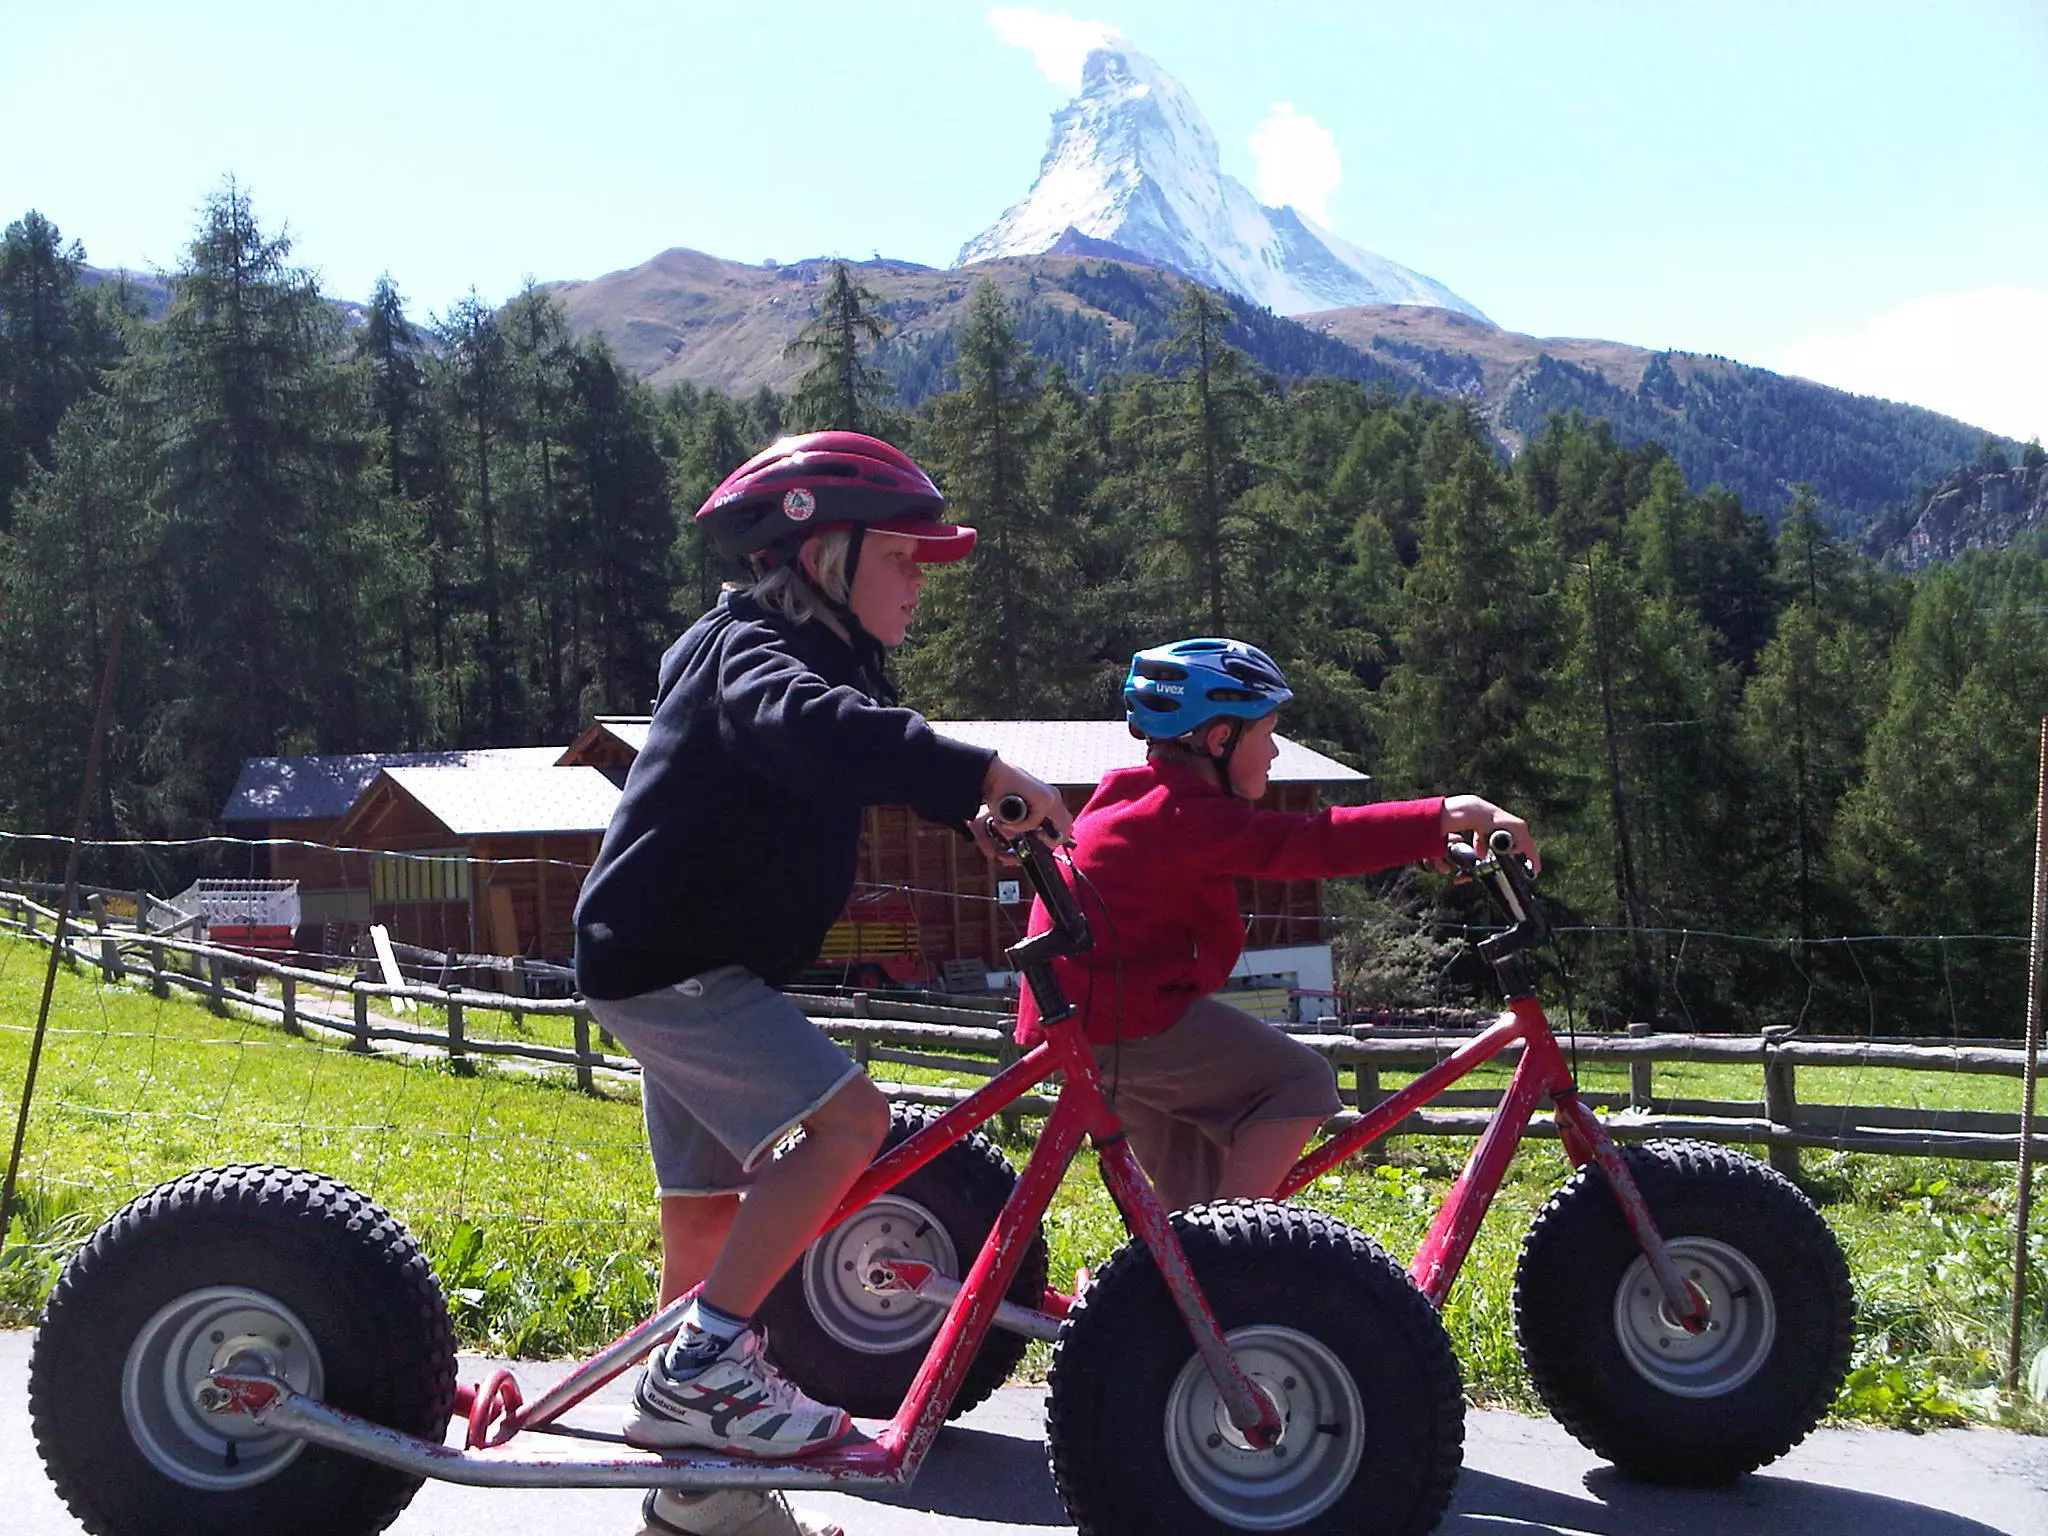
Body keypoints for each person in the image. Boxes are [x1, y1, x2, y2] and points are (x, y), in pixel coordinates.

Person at [573, 431, 1070, 1536]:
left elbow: (832, 746)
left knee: (705, 1229)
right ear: (820, 553)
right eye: (904, 559)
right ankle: (701, 1374)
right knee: (853, 1124)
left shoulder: (807, 660)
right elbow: (811, 726)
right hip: (670, 966)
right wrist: (972, 772)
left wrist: (963, 813)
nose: (920, 584)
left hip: (684, 964)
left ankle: (698, 1494)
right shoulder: (745, 650)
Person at [1014, 636, 1537, 1213]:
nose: (1274, 754)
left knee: (1190, 1203)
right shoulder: (1181, 814)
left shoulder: (1146, 802)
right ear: (1219, 739)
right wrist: (1443, 814)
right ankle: (1234, 1252)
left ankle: (1183, 1285)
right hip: (1124, 1021)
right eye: (1267, 734)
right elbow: (1311, 844)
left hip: (1098, 1020)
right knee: (1301, 1083)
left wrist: (1420, 838)